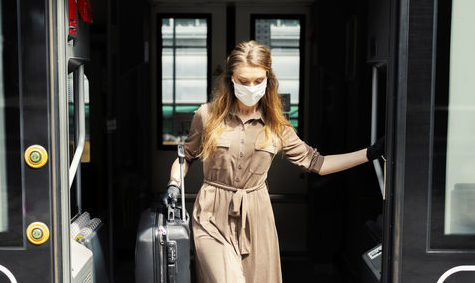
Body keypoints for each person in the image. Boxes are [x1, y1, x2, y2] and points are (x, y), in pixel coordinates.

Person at [164, 40, 384, 283]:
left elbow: (318, 163)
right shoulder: (206, 115)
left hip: (256, 215)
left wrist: (371, 152)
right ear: (231, 80)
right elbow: (186, 157)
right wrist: (174, 184)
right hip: (211, 213)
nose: (251, 87)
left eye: (258, 81)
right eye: (243, 81)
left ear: (268, 80)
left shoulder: (277, 126)